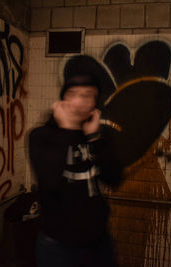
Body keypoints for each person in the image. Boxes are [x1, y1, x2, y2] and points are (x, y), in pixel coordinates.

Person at [29, 73, 122, 267]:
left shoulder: (95, 136)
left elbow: (114, 178)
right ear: (63, 99)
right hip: (58, 247)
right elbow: (50, 183)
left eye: (88, 95)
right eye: (73, 94)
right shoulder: (41, 136)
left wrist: (95, 138)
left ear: (95, 104)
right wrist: (68, 129)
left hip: (99, 244)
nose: (80, 102)